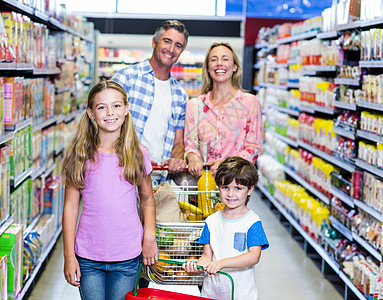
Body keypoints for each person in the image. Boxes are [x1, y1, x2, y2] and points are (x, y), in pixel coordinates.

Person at [62, 80, 158, 300]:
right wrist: (69, 255)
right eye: (101, 107)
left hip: (127, 254)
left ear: (126, 109)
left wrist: (149, 237)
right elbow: (70, 206)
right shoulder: (79, 155)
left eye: (116, 106)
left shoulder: (137, 153)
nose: (110, 112)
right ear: (91, 113)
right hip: (88, 256)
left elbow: (147, 200)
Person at [112, 20, 189, 182]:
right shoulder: (126, 78)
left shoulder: (180, 95)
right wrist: (132, 153)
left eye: (178, 45)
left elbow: (178, 141)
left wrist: (176, 158)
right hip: (122, 174)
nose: (171, 49)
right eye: (167, 41)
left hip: (159, 180)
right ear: (154, 42)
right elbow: (104, 126)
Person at [182, 156, 269, 300]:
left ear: (250, 190)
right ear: (218, 188)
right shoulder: (212, 221)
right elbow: (206, 256)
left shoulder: (252, 222)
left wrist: (221, 264)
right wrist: (196, 268)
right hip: (212, 293)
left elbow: (254, 256)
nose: (230, 194)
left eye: (238, 188)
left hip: (240, 294)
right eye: (225, 187)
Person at [184, 42, 262, 178]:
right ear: (208, 68)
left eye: (225, 59)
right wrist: (192, 157)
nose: (219, 63)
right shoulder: (195, 106)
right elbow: (190, 145)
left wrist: (228, 165)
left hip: (235, 187)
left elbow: (253, 148)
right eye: (214, 59)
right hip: (202, 185)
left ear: (235, 67)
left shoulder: (250, 103)